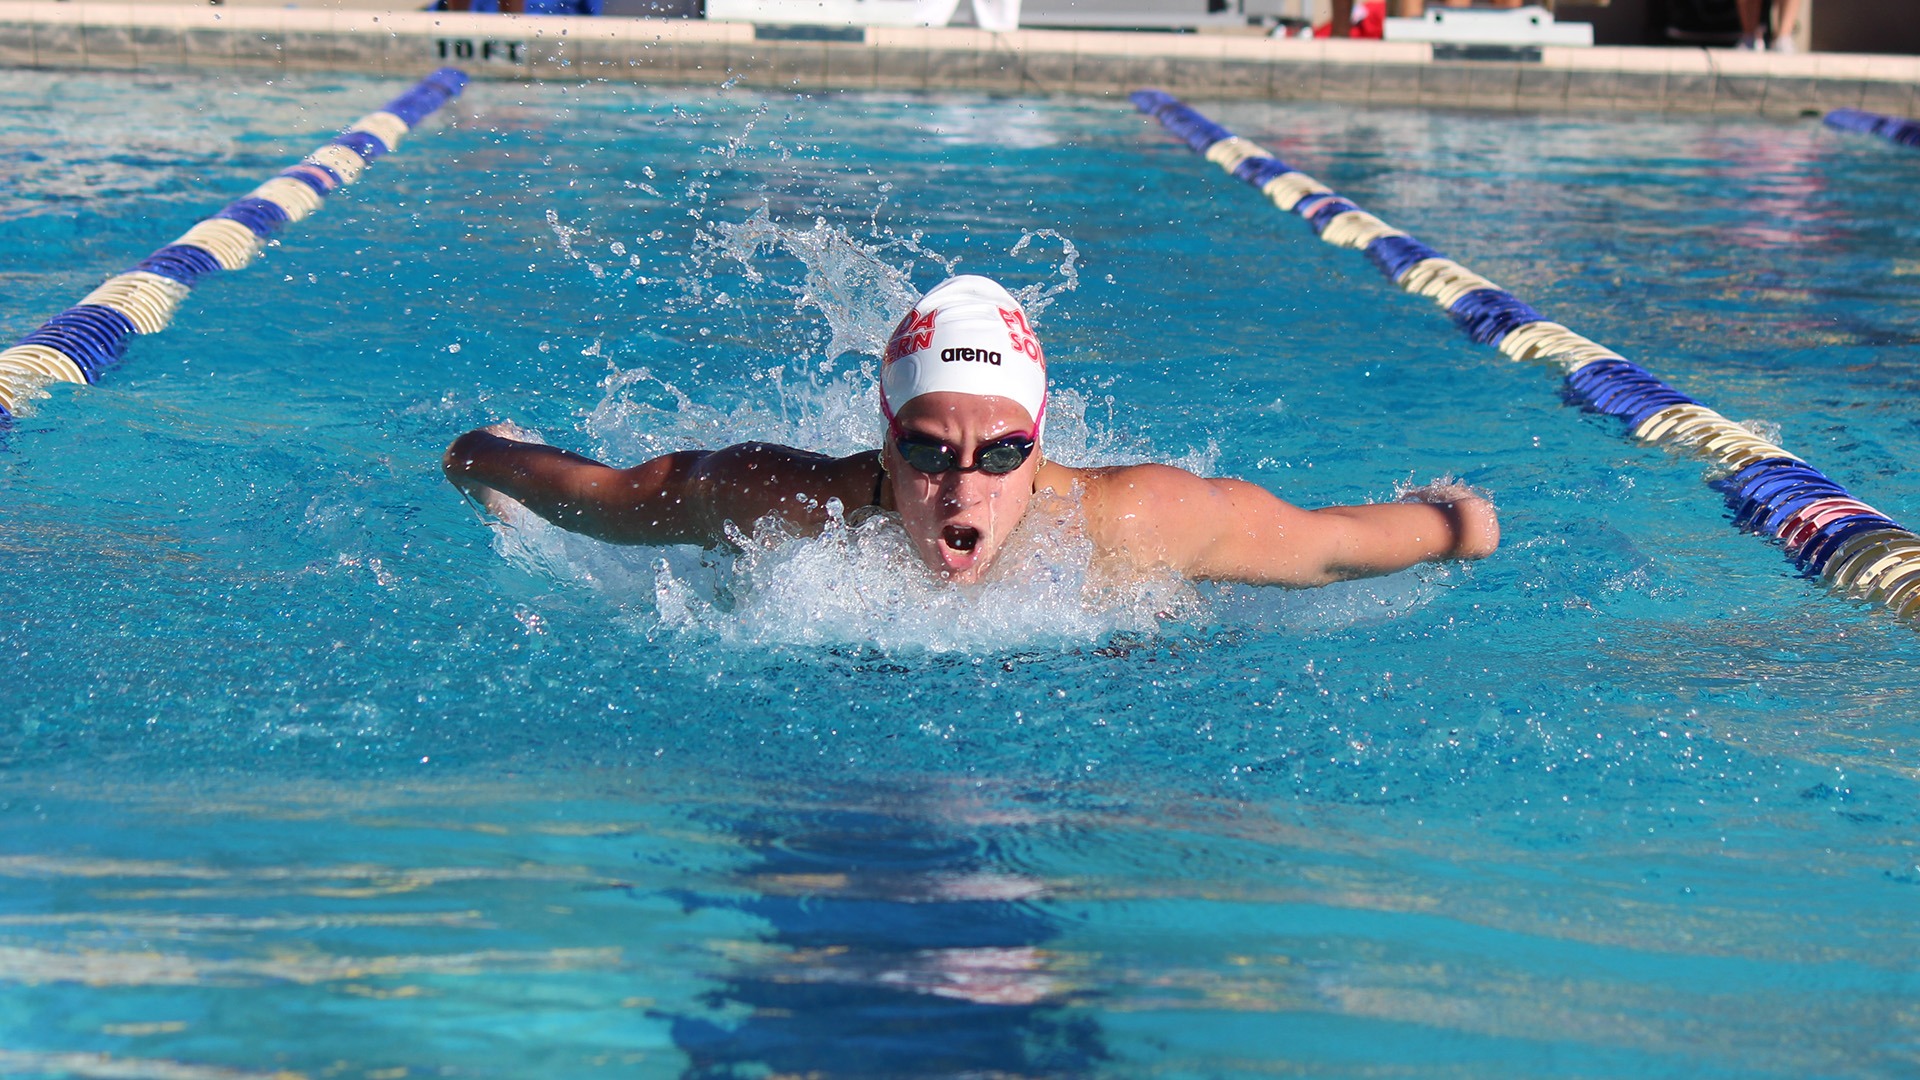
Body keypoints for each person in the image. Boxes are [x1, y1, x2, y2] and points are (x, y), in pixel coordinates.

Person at [443, 275, 1499, 588]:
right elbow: (601, 497)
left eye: (1001, 454)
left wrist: (1455, 525)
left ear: (1040, 441)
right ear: (883, 438)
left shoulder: (1136, 522)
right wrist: (480, 459)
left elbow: (1330, 542)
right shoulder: (778, 501)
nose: (963, 489)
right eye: (926, 451)